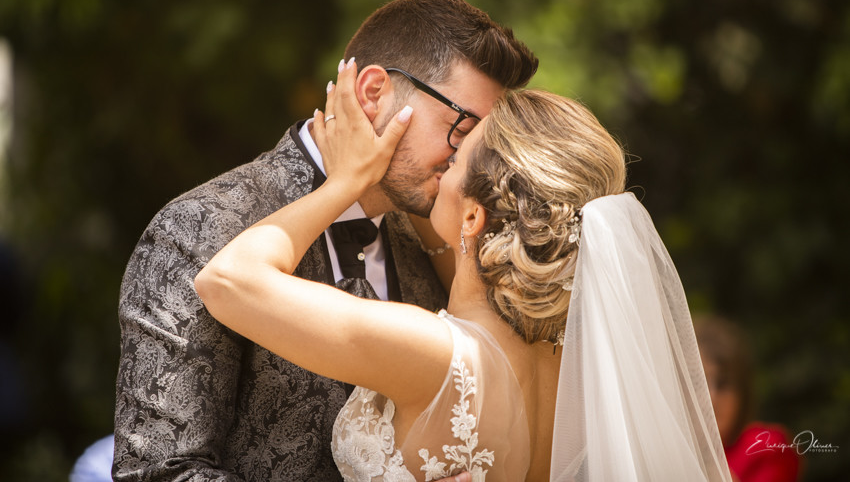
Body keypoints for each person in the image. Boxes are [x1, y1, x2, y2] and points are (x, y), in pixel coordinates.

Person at [195, 65, 734, 481]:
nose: (441, 169)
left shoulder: (434, 353)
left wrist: (346, 182)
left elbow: (227, 280)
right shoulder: (574, 369)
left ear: (475, 217)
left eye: (455, 162)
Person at [113, 0, 538, 482]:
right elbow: (160, 473)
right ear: (373, 93)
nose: (468, 160)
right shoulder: (197, 228)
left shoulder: (439, 246)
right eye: (461, 129)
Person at [694, 316, 802, 482]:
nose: (711, 398)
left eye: (723, 384)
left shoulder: (766, 446)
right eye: (697, 383)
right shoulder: (664, 447)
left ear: (742, 391)